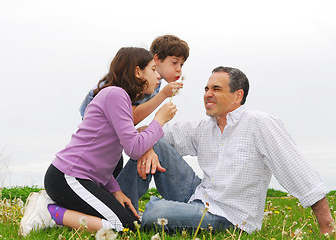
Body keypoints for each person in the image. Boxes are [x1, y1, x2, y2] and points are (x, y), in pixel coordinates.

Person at [116, 66, 335, 234]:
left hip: (231, 216)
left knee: (156, 213)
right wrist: (149, 146)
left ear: (237, 96)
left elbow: (296, 169)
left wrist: (326, 223)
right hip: (197, 197)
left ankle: (134, 217)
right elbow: (145, 132)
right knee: (154, 141)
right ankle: (115, 208)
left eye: (216, 89)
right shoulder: (204, 127)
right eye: (206, 89)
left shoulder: (260, 124)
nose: (208, 94)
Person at [18, 47, 177, 236]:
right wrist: (159, 120)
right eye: (152, 69)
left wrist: (116, 190)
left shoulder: (119, 97)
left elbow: (102, 160)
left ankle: (59, 208)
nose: (157, 76)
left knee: (133, 223)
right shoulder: (116, 95)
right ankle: (52, 212)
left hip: (84, 179)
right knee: (122, 227)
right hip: (68, 177)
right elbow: (134, 149)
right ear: (137, 71)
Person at [80, 34, 189, 178]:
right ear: (157, 59)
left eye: (181, 64)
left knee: (112, 167)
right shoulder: (138, 80)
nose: (179, 70)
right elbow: (131, 116)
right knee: (104, 167)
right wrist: (163, 96)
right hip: (98, 130)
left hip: (112, 133)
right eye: (174, 62)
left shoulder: (153, 83)